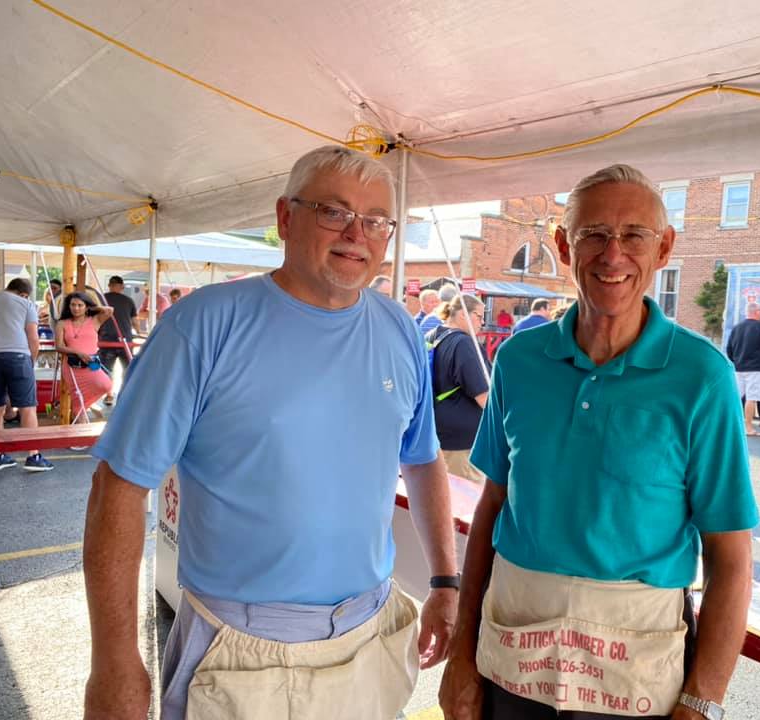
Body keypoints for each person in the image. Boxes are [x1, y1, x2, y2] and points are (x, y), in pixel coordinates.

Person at [83, 146, 458, 720]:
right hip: (242, 653)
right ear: (286, 218)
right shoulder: (203, 325)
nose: (356, 234)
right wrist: (114, 663)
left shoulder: (401, 329)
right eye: (334, 211)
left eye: (376, 220)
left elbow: (423, 457)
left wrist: (444, 582)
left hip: (373, 634)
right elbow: (120, 487)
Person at [439, 164, 758, 720]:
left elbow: (729, 555)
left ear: (663, 248)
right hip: (512, 661)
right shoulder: (517, 360)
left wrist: (701, 701)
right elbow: (493, 505)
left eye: (634, 235)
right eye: (593, 235)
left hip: (635, 676)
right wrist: (460, 657)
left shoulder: (701, 376)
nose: (613, 255)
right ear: (565, 245)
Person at [426, 294, 489, 485]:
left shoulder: (432, 335)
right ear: (463, 314)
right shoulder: (464, 343)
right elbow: (483, 396)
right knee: (466, 500)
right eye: (479, 316)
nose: (483, 322)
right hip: (463, 441)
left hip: (435, 430)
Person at [0, 278, 54, 472]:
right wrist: (31, 361)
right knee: (28, 407)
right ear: (24, 294)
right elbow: (33, 336)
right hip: (18, 356)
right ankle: (33, 455)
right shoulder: (26, 304)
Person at [55, 291, 114, 422]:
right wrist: (77, 352)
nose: (76, 308)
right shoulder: (62, 323)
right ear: (68, 306)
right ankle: (81, 436)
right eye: (73, 305)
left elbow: (109, 310)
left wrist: (92, 307)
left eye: (80, 305)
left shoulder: (94, 320)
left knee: (106, 385)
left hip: (91, 363)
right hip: (72, 366)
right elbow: (58, 346)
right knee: (78, 401)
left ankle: (87, 406)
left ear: (86, 307)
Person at [726, 303, 760, 437]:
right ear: (756, 312)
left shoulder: (737, 328)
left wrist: (736, 361)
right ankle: (748, 428)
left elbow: (729, 349)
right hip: (756, 368)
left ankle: (729, 425)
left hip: (738, 367)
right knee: (752, 398)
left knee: (736, 397)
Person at [99, 275, 140, 406]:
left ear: (110, 285)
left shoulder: (101, 299)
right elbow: (135, 322)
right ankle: (125, 396)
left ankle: (109, 395)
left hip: (106, 339)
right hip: (125, 340)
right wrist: (138, 332)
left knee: (106, 369)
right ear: (122, 287)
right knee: (128, 369)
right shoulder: (128, 301)